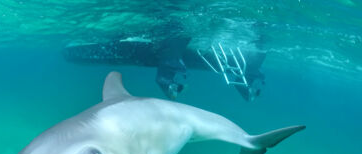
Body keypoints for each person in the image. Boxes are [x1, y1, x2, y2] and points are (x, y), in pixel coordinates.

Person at [63, 37, 266, 102]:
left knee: (172, 46)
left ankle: (248, 82)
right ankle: (248, 82)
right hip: (172, 52)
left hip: (169, 52)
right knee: (173, 48)